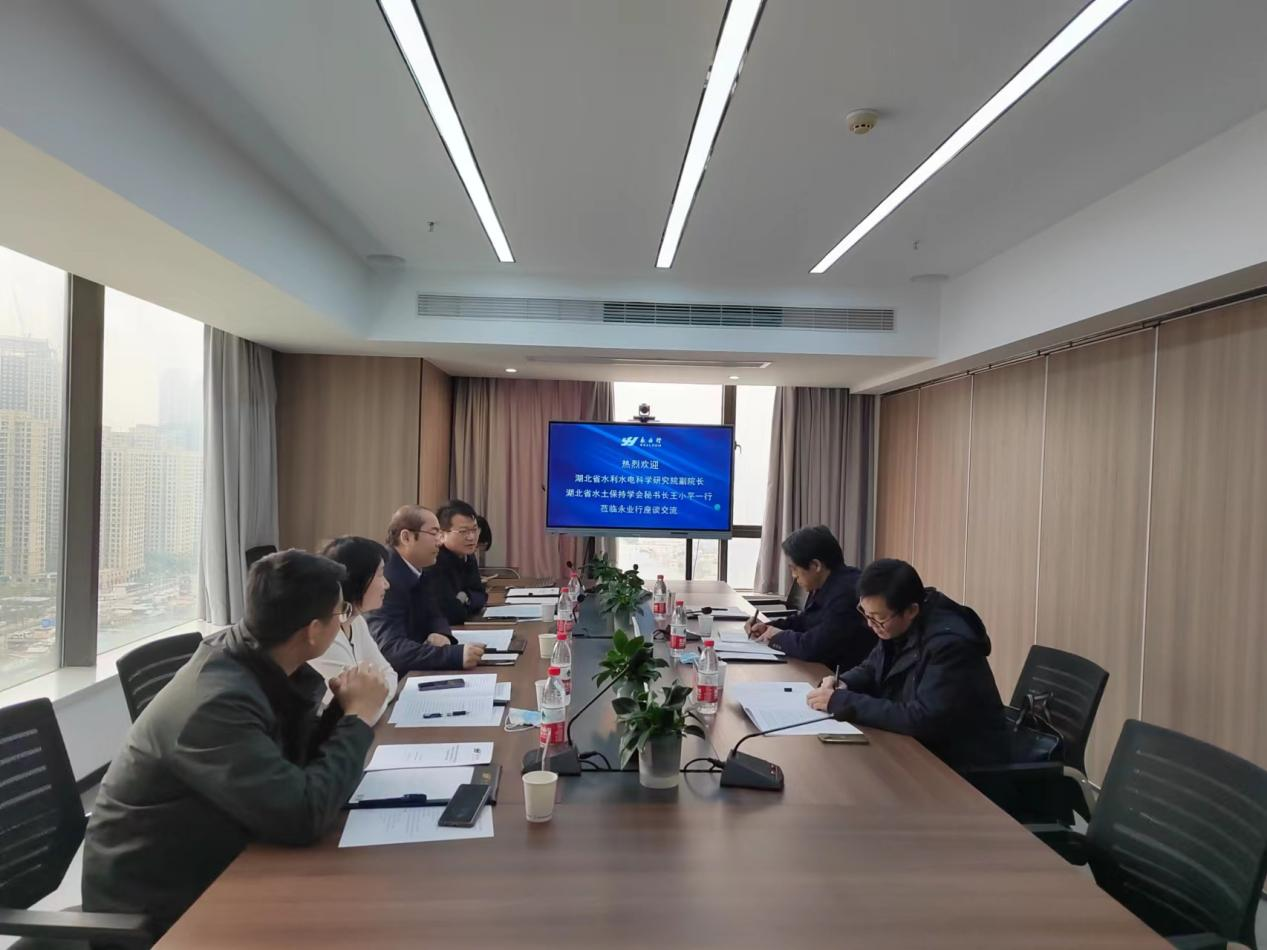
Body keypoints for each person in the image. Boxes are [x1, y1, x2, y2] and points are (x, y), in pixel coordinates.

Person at [82, 550, 389, 937]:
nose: (344, 620)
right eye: (340, 612)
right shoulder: (216, 704)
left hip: (219, 856)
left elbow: (293, 764)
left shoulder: (254, 658)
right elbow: (302, 815)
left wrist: (341, 712)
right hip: (161, 910)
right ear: (313, 631)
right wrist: (357, 719)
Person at [806, 558, 1008, 770]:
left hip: (962, 765)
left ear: (911, 610)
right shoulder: (896, 625)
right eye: (866, 614)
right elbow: (872, 667)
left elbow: (924, 719)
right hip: (918, 749)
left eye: (877, 617)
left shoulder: (950, 646)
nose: (870, 624)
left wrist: (844, 702)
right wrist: (844, 682)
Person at [367, 505, 484, 673]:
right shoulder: (387, 579)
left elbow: (435, 613)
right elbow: (390, 649)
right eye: (434, 533)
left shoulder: (420, 568)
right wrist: (453, 656)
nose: (439, 541)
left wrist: (442, 634)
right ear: (406, 537)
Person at [745, 525, 874, 671]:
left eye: (794, 569)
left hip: (842, 676)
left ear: (815, 565)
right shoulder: (828, 583)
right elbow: (805, 620)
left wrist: (777, 636)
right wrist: (768, 627)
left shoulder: (847, 593)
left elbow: (813, 648)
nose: (794, 576)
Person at [310, 536, 401, 723]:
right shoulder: (324, 633)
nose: (387, 584)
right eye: (380, 575)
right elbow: (359, 712)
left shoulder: (356, 621)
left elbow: (389, 673)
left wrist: (374, 696)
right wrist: (372, 697)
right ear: (358, 579)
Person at [430, 499, 489, 624]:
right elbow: (451, 613)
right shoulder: (434, 561)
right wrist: (468, 599)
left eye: (474, 530)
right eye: (463, 531)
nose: (471, 537)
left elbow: (481, 596)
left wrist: (464, 598)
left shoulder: (468, 556)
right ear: (442, 534)